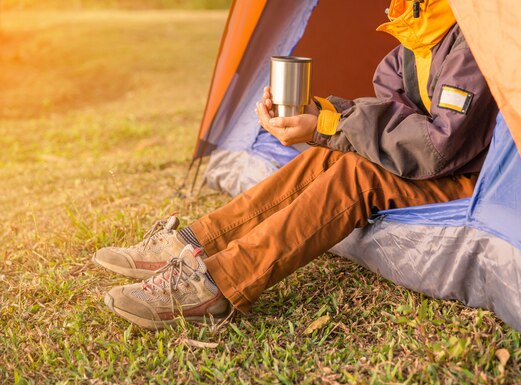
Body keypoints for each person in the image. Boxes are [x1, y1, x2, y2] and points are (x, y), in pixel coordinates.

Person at [93, 0, 499, 329]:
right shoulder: (417, 32)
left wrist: (328, 124)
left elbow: (437, 148)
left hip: (475, 179)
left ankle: (218, 284)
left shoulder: (474, 36)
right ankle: (195, 241)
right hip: (439, 162)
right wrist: (319, 115)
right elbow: (393, 117)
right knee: (332, 154)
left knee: (357, 174)